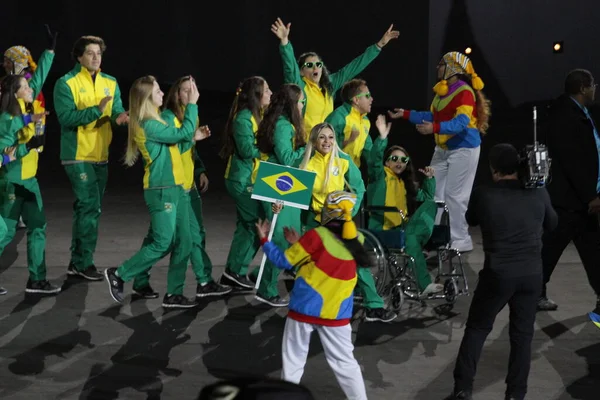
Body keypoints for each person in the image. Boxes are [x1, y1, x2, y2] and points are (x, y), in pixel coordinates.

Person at [444, 144, 557, 400]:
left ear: (494, 170)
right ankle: (516, 394)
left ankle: (462, 390)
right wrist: (539, 190)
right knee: (522, 337)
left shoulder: (484, 194)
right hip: (531, 275)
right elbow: (553, 224)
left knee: (477, 329)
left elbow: (471, 219)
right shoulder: (537, 194)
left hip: (498, 273)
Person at [256, 191, 369, 400]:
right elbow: (323, 258)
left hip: (304, 309)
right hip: (337, 314)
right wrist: (298, 243)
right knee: (346, 364)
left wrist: (265, 240)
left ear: (328, 210)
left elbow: (284, 262)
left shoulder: (316, 235)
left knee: (293, 363)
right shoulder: (358, 238)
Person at [104, 75, 203, 308]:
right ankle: (119, 274)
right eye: (157, 90)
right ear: (147, 98)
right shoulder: (148, 123)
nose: (162, 93)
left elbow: (177, 144)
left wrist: (192, 137)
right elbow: (179, 134)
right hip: (161, 190)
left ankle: (174, 294)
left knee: (185, 242)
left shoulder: (155, 120)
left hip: (176, 187)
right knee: (162, 243)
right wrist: (192, 104)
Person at [388, 51, 491, 253]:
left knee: (455, 196)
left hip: (464, 148)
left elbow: (461, 123)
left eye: (442, 64)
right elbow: (432, 115)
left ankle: (460, 239)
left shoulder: (464, 92)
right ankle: (433, 235)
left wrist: (434, 128)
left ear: (452, 68)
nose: (438, 68)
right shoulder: (443, 92)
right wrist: (406, 114)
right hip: (443, 149)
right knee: (432, 193)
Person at [299, 122, 396, 322]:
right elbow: (293, 194)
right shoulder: (305, 163)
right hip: (315, 222)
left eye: (331, 137)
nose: (327, 141)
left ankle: (373, 306)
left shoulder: (343, 160)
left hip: (338, 221)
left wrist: (348, 210)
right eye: (322, 137)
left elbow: (359, 188)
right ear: (314, 141)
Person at [54, 35, 129, 281]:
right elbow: (66, 118)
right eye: (90, 53)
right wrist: (96, 110)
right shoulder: (66, 83)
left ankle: (77, 262)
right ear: (79, 56)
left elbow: (116, 110)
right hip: (77, 155)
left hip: (101, 155)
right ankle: (83, 262)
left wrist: (120, 118)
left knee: (88, 209)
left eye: (98, 53)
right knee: (89, 206)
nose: (96, 57)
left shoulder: (110, 81)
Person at [159, 76, 230, 298]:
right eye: (184, 90)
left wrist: (199, 170)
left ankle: (204, 281)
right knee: (170, 241)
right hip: (173, 186)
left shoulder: (190, 114)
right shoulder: (168, 117)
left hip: (188, 184)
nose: (190, 94)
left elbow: (190, 149)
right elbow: (172, 151)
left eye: (193, 90)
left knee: (196, 234)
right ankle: (140, 280)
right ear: (176, 94)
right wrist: (192, 138)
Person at [0, 29, 58, 294]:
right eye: (25, 85)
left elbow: (40, 75)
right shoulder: (7, 118)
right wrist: (28, 145)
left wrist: (50, 50)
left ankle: (37, 280)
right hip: (12, 179)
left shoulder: (26, 107)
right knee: (5, 232)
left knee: (37, 227)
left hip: (28, 179)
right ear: (16, 92)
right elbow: (6, 152)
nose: (31, 85)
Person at [537, 69, 600, 316]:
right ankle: (533, 293)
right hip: (570, 201)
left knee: (592, 251)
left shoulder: (578, 112)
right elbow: (573, 161)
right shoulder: (566, 115)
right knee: (551, 249)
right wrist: (590, 196)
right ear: (583, 87)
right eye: (593, 84)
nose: (595, 88)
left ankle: (535, 293)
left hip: (578, 200)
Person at [271, 17, 399, 138]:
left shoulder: (329, 85)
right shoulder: (299, 86)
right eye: (309, 65)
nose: (315, 68)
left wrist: (379, 45)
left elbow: (353, 67)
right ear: (302, 72)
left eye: (318, 64)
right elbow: (290, 67)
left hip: (326, 144)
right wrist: (284, 42)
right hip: (304, 145)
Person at [366, 115, 442, 296]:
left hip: (402, 227)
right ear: (387, 161)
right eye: (395, 158)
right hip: (383, 230)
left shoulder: (405, 183)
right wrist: (382, 138)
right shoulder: (379, 177)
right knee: (412, 237)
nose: (399, 162)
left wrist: (429, 179)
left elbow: (427, 197)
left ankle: (418, 242)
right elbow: (373, 160)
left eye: (403, 160)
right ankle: (424, 285)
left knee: (431, 204)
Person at [253, 83, 307, 307]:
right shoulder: (284, 126)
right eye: (302, 101)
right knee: (280, 237)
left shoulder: (284, 124)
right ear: (293, 104)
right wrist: (308, 147)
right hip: (279, 181)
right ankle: (265, 288)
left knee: (290, 235)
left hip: (288, 182)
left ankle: (264, 277)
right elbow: (287, 158)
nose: (304, 105)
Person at [218, 76, 272, 290]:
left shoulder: (258, 115)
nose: (270, 93)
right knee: (254, 224)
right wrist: (271, 150)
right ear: (256, 95)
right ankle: (235, 271)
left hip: (252, 179)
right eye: (266, 89)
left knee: (246, 226)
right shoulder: (243, 118)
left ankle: (232, 273)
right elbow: (247, 150)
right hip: (240, 180)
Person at [3, 44, 51, 231]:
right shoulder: (8, 83)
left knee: (22, 172)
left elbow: (39, 80)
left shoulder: (27, 86)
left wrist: (38, 137)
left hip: (26, 138)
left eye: (8, 61)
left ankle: (17, 212)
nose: (5, 64)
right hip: (12, 136)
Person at [325, 79, 375, 168]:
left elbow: (369, 151)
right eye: (367, 95)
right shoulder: (338, 117)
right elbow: (323, 145)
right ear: (356, 100)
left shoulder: (365, 121)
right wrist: (349, 140)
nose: (371, 99)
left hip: (352, 172)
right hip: (332, 170)